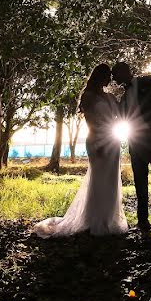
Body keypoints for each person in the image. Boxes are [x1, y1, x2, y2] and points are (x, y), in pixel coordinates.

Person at [32, 64, 128, 238]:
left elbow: (120, 115)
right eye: (107, 75)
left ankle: (108, 220)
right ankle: (95, 221)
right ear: (99, 76)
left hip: (112, 141)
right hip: (97, 141)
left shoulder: (110, 97)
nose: (110, 79)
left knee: (111, 181)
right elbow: (91, 121)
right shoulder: (88, 96)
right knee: (99, 181)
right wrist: (100, 142)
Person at [111, 61, 151, 232]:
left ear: (124, 71)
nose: (114, 80)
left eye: (115, 75)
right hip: (136, 143)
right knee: (140, 183)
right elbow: (122, 117)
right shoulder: (123, 98)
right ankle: (142, 221)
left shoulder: (149, 81)